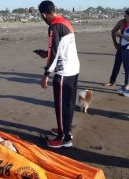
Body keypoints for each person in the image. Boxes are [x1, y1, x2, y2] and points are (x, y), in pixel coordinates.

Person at [36, 1, 80, 148]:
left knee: (61, 106)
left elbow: (54, 52)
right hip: (73, 68)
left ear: (43, 14)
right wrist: (46, 53)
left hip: (63, 71)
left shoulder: (54, 26)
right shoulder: (65, 21)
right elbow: (61, 47)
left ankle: (64, 138)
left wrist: (46, 74)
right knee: (69, 103)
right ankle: (65, 128)